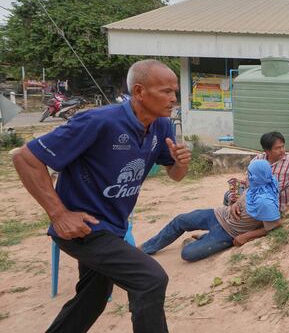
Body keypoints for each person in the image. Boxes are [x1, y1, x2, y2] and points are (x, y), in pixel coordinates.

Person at [12, 59, 191, 333]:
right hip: (83, 229)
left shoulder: (161, 126)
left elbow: (175, 175)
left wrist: (181, 163)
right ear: (140, 91)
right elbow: (26, 158)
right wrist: (59, 214)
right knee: (150, 279)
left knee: (92, 299)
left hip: (114, 227)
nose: (173, 98)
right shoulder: (98, 121)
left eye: (174, 91)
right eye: (166, 91)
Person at [141, 159, 281, 262]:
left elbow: (272, 227)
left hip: (228, 233)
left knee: (188, 254)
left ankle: (203, 239)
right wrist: (234, 204)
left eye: (249, 173)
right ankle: (146, 248)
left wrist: (246, 236)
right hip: (218, 214)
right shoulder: (256, 184)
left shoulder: (266, 201)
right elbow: (242, 197)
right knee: (180, 220)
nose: (246, 175)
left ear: (257, 175)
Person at [224, 132, 289, 214]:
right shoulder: (258, 159)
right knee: (229, 195)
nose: (282, 150)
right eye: (277, 148)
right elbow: (248, 180)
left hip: (276, 206)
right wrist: (236, 201)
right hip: (256, 202)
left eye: (283, 146)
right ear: (267, 150)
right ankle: (230, 214)